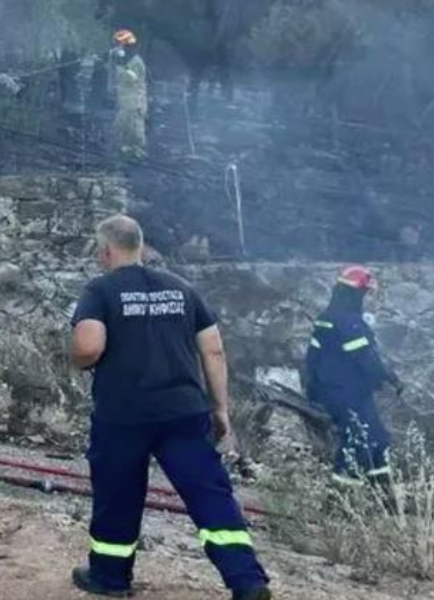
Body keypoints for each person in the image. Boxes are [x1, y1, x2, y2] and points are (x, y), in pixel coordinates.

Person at [70, 215, 271, 600]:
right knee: (209, 493)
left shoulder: (101, 290)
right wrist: (220, 408)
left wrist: (77, 359)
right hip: (184, 411)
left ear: (105, 251)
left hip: (123, 415)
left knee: (118, 494)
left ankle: (110, 578)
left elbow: (89, 346)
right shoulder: (182, 289)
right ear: (141, 247)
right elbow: (213, 349)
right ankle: (247, 581)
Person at [304, 265, 403, 487]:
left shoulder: (326, 317)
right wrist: (391, 379)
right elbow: (368, 361)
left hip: (329, 390)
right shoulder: (350, 324)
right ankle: (339, 498)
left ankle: (382, 492)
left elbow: (313, 359)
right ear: (355, 294)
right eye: (365, 293)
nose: (367, 299)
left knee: (377, 438)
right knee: (359, 441)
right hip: (348, 393)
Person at [110, 29, 148, 159]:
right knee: (123, 127)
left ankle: (137, 152)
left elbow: (131, 78)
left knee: (134, 128)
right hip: (126, 100)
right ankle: (124, 150)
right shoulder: (127, 61)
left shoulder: (135, 62)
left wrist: (119, 66)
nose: (117, 48)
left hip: (135, 101)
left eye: (119, 45)